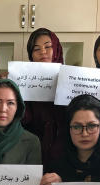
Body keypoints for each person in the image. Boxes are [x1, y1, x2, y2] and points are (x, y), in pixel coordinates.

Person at [21, 27, 68, 172]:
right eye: (36, 49)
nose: (43, 52)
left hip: (65, 151)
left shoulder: (70, 79)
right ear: (31, 55)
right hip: (31, 151)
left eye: (48, 47)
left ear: (57, 49)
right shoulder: (23, 81)